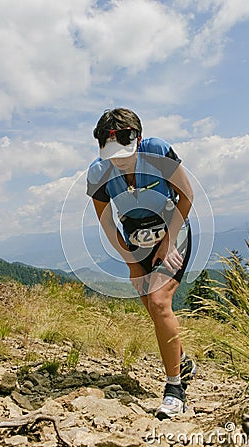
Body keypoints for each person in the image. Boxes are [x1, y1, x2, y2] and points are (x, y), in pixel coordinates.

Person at [86, 108, 196, 419]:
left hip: (172, 230)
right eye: (113, 157)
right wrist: (132, 262)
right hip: (135, 241)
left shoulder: (157, 151)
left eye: (125, 154)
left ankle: (175, 388)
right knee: (151, 306)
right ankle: (182, 360)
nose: (120, 162)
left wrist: (168, 241)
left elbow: (186, 195)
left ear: (139, 138)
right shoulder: (98, 172)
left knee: (160, 302)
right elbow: (107, 222)